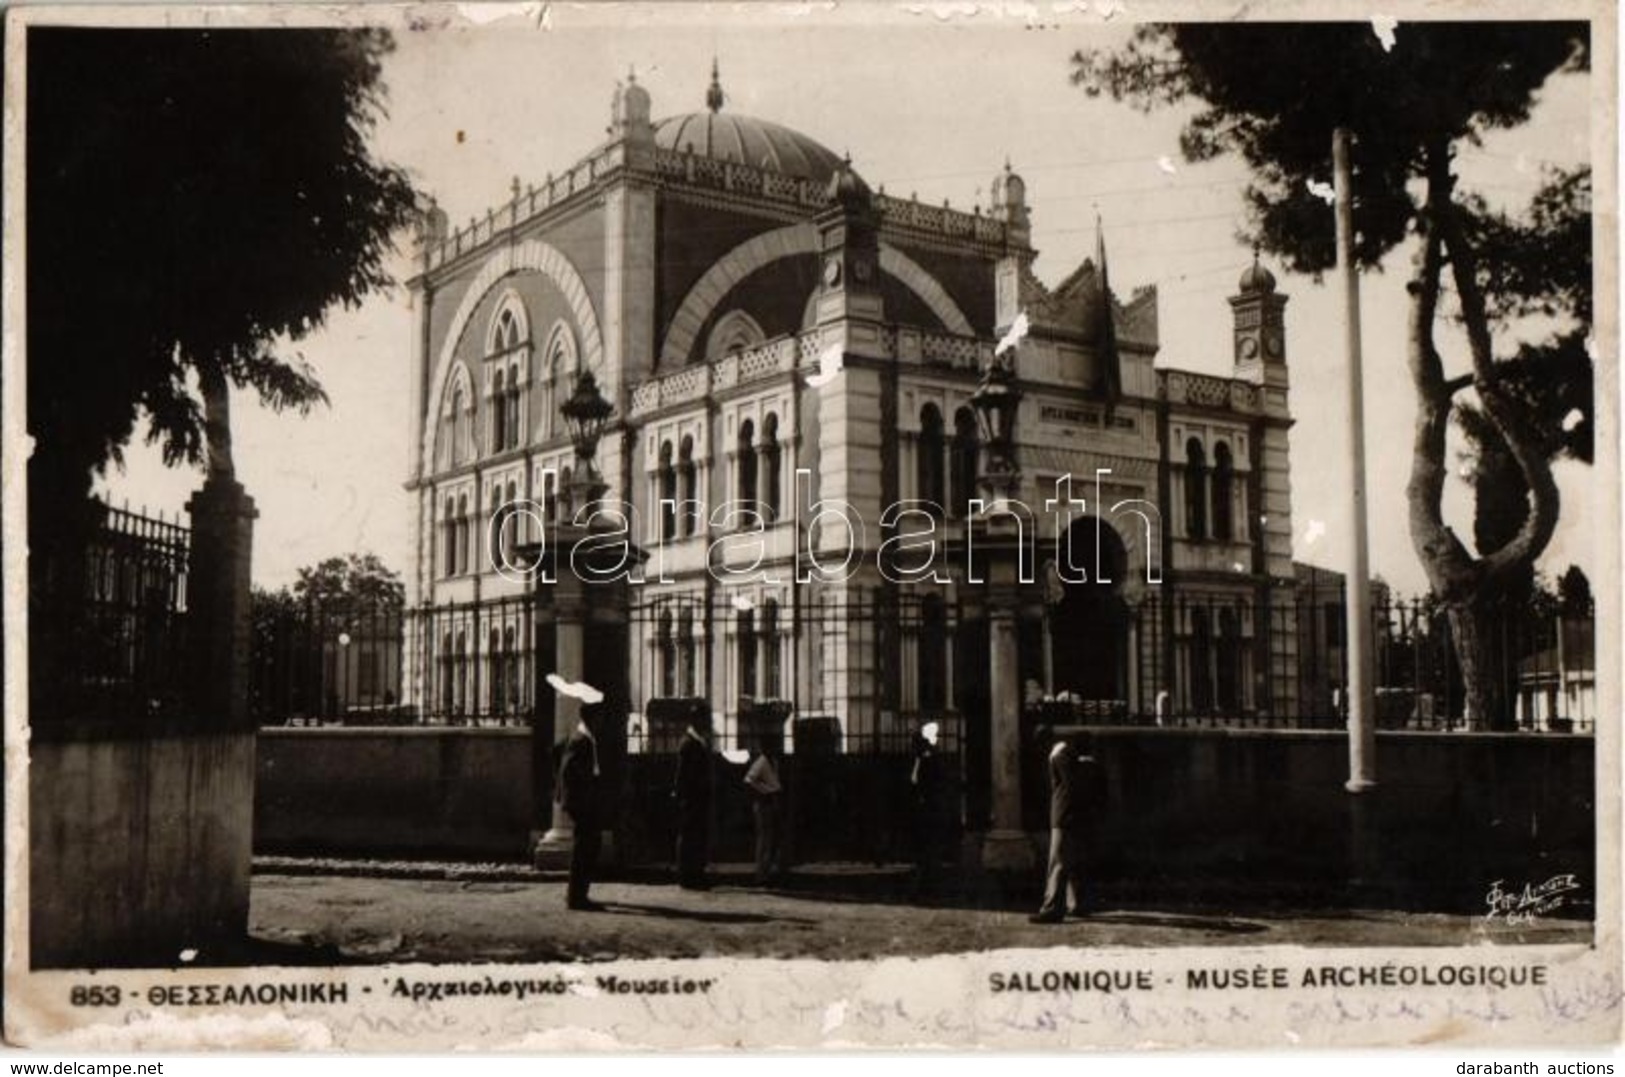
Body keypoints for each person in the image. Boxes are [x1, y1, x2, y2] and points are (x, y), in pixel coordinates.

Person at [1030, 729, 1104, 923]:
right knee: (1074, 862)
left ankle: (1052, 907)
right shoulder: (1080, 760)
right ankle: (1077, 903)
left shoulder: (1060, 754)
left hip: (1064, 815)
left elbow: (1069, 786)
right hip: (1077, 815)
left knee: (1059, 862)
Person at [556, 704, 604, 911]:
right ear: (590, 718)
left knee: (588, 846)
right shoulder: (579, 739)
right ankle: (576, 897)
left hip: (586, 802)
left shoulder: (587, 738)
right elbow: (568, 772)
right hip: (582, 803)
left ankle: (579, 894)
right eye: (598, 717)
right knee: (584, 849)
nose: (601, 722)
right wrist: (578, 799)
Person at [673, 707, 713, 890]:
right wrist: (684, 797)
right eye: (706, 718)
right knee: (689, 838)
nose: (709, 722)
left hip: (698, 798)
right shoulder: (688, 743)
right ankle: (687, 876)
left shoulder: (697, 741)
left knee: (696, 837)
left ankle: (695, 873)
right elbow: (682, 775)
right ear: (697, 720)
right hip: (691, 799)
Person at [908, 721, 945, 899]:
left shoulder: (926, 758)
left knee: (926, 851)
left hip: (927, 808)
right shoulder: (924, 757)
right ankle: (925, 886)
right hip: (927, 809)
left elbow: (917, 781)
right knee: (926, 851)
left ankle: (924, 887)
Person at [744, 737, 785, 885]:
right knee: (765, 840)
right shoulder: (763, 761)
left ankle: (765, 873)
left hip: (768, 803)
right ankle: (761, 874)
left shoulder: (770, 761)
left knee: (768, 840)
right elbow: (749, 780)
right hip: (763, 804)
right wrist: (766, 791)